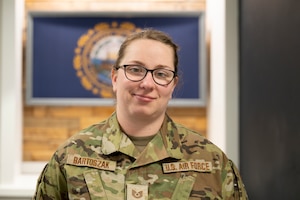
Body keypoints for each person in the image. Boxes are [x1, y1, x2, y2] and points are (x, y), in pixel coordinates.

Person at [33, 29, 248, 200]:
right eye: (136, 69)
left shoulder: (212, 162)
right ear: (115, 78)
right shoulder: (70, 158)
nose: (147, 83)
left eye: (161, 74)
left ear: (172, 85)